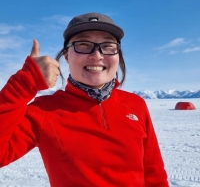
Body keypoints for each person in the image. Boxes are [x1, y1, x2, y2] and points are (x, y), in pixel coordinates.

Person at [0, 12, 169, 187]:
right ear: (66, 55)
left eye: (108, 46)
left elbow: (153, 173)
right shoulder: (44, 110)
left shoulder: (135, 104)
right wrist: (23, 83)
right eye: (83, 44)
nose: (97, 55)